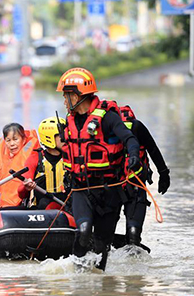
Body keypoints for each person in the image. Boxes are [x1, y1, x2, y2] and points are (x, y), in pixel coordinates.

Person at [57, 67, 141, 270]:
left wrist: (134, 156)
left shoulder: (108, 118)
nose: (65, 100)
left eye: (67, 95)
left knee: (102, 246)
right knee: (84, 230)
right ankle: (77, 276)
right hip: (81, 190)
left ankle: (98, 284)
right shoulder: (70, 120)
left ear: (79, 95)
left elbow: (130, 139)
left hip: (109, 190)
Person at [118, 104, 170, 246]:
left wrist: (163, 173)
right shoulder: (134, 126)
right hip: (114, 186)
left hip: (133, 185)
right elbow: (152, 149)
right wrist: (164, 174)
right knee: (106, 235)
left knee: (133, 234)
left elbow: (152, 148)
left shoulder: (136, 127)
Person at [17, 117, 68, 210]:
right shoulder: (35, 158)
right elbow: (20, 193)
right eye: (61, 136)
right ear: (50, 138)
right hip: (42, 208)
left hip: (66, 204)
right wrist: (26, 187)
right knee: (45, 203)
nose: (65, 138)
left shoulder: (70, 157)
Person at [0, 123, 40, 209]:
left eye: (15, 139)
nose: (12, 144)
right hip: (2, 200)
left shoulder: (31, 155)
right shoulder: (6, 155)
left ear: (24, 139)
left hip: (18, 203)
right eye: (8, 140)